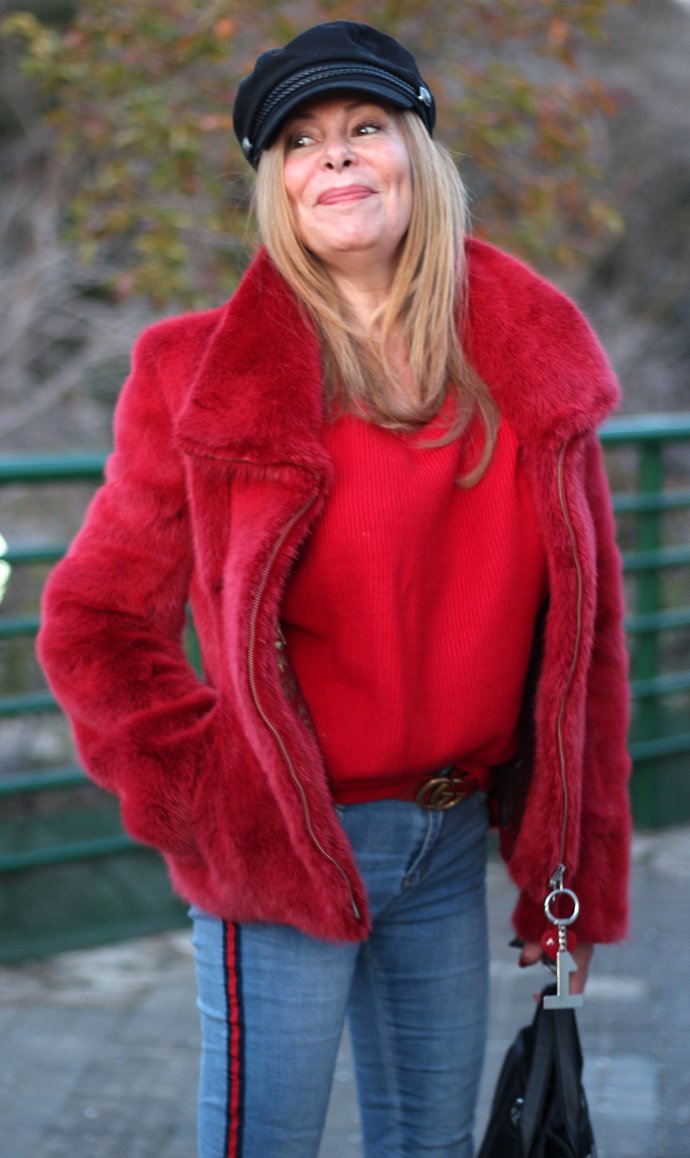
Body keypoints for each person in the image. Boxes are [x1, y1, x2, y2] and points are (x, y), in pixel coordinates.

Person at [37, 20, 632, 1158]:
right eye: (301, 142)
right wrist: (208, 801)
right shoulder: (193, 376)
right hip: (283, 844)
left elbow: (589, 647)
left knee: (434, 1148)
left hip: (451, 834)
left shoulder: (534, 364)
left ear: (419, 155)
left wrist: (574, 884)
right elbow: (96, 623)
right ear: (276, 186)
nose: (338, 156)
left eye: (367, 126)